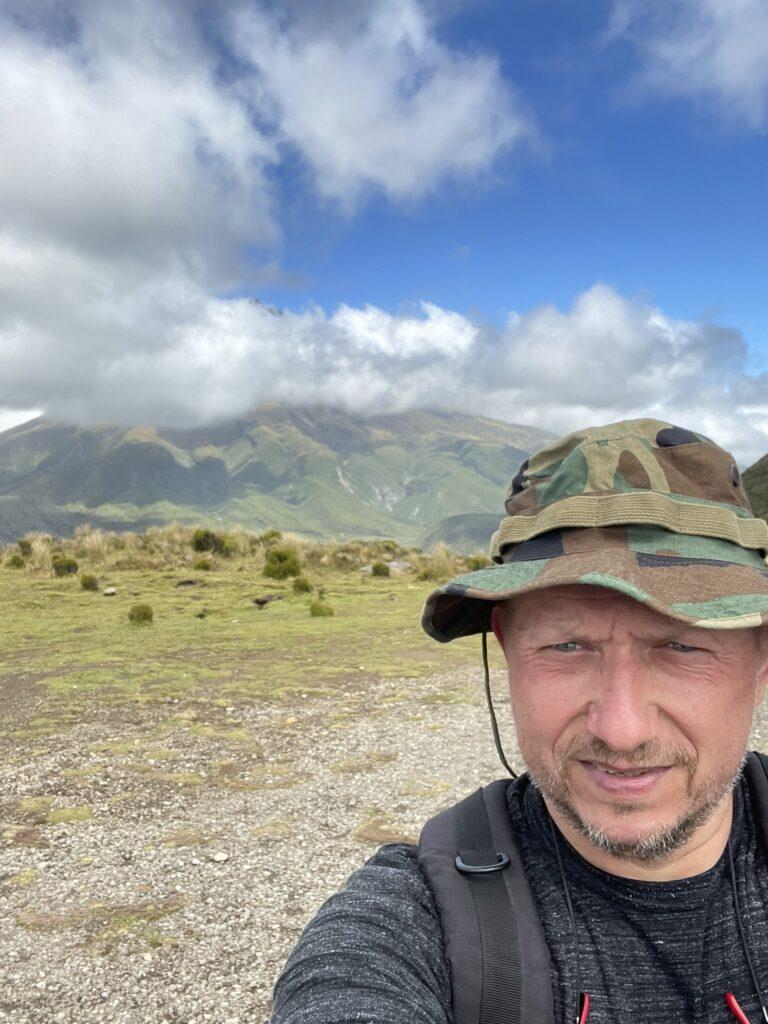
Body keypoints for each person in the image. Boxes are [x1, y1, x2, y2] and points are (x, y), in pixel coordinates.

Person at [269, 419, 768, 1024]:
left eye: (683, 647)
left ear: (761, 659)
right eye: (566, 647)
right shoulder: (413, 918)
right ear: (507, 648)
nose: (622, 730)